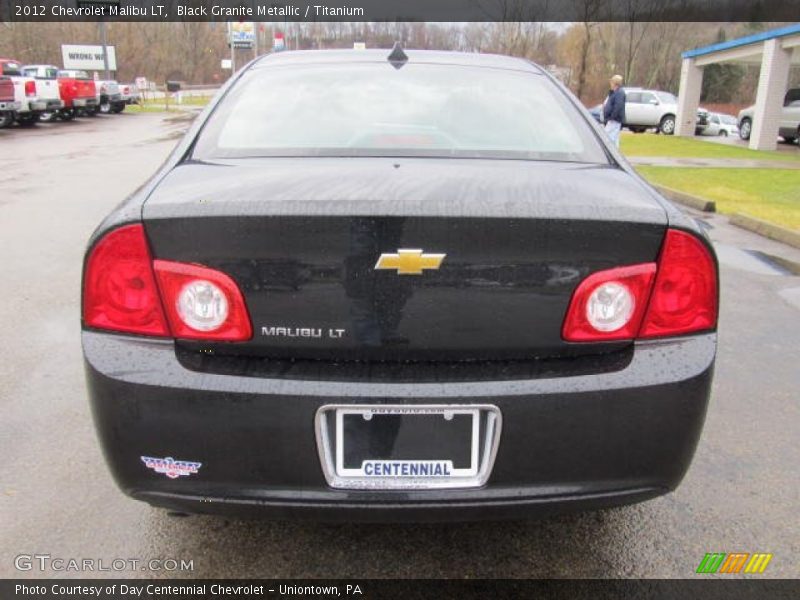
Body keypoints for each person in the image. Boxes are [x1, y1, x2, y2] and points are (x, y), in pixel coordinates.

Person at [603, 74, 626, 148]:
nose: (610, 84)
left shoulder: (619, 93)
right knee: (614, 140)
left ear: (615, 83)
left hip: (614, 120)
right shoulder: (615, 92)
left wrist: (611, 117)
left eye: (612, 82)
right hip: (613, 120)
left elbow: (618, 106)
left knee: (607, 138)